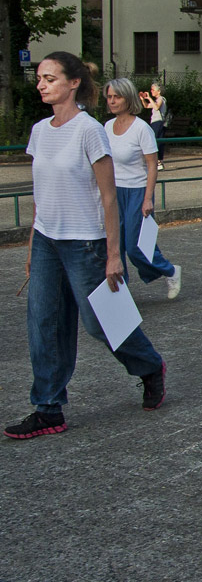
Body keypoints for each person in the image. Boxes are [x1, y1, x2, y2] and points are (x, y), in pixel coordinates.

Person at [4, 53, 166, 440]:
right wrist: (32, 247)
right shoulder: (40, 131)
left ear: (74, 82)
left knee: (100, 322)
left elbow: (109, 198)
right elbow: (42, 195)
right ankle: (48, 408)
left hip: (86, 243)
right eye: (39, 78)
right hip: (47, 242)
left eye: (50, 78)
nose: (41, 84)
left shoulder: (89, 130)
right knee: (44, 324)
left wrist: (113, 255)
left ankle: (149, 366)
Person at [103, 77, 181, 298]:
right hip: (114, 192)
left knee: (135, 246)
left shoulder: (141, 129)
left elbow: (152, 166)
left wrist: (148, 198)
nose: (112, 101)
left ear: (128, 99)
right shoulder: (106, 127)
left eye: (117, 97)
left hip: (137, 191)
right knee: (114, 246)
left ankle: (170, 271)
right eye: (109, 97)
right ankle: (120, 293)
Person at [140, 81, 167, 170]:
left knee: (156, 141)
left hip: (158, 122)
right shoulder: (156, 100)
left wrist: (149, 98)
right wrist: (143, 99)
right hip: (155, 122)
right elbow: (147, 106)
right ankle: (159, 162)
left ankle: (159, 161)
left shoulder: (161, 99)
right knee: (156, 141)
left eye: (153, 90)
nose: (151, 91)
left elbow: (156, 107)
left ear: (158, 91)